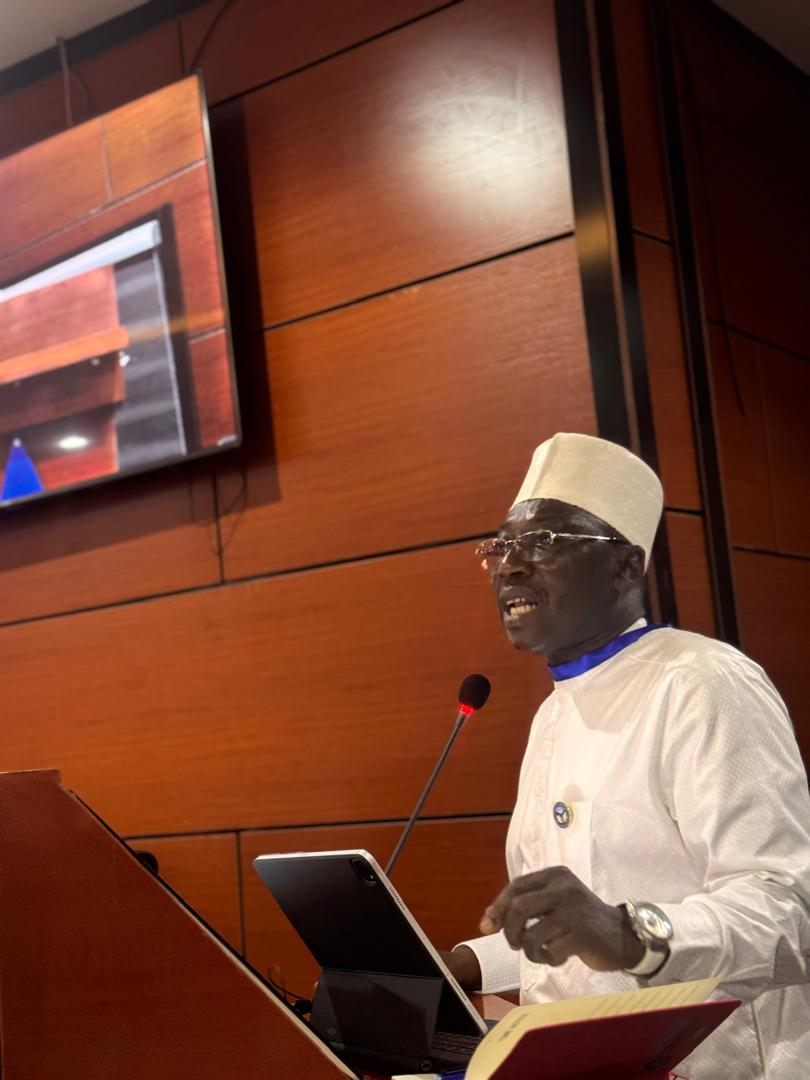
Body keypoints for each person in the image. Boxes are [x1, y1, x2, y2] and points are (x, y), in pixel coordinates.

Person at [444, 432, 810, 1079]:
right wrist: (462, 965)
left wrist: (628, 932)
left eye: (543, 542)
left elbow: (788, 912)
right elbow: (572, 936)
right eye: (502, 547)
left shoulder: (703, 682)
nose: (511, 567)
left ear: (625, 566)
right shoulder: (554, 713)